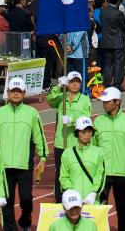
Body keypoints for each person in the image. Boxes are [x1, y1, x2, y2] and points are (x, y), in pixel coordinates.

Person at [0, 77, 46, 231]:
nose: (15, 94)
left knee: (26, 199)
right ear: (7, 92)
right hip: (4, 165)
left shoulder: (32, 113)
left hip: (24, 164)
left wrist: (43, 157)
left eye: (18, 91)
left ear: (24, 93)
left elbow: (39, 137)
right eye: (12, 91)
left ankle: (26, 219)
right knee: (6, 201)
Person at [93, 87, 125, 231]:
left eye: (108, 101)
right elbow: (93, 146)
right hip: (102, 174)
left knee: (123, 209)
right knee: (99, 208)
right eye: (104, 101)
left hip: (123, 174)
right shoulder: (98, 122)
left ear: (117, 102)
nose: (104, 104)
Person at [47, 69, 93, 200]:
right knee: (60, 173)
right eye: (72, 82)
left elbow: (86, 118)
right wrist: (58, 87)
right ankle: (59, 199)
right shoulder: (61, 97)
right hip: (60, 143)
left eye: (77, 82)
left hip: (74, 143)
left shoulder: (85, 100)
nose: (75, 84)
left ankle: (76, 198)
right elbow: (49, 99)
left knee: (75, 171)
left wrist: (72, 120)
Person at [58, 117, 105, 209]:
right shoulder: (67, 153)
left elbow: (101, 175)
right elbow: (63, 177)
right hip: (73, 203)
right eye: (83, 132)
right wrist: (72, 193)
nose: (87, 135)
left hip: (92, 201)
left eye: (89, 132)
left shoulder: (99, 152)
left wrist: (93, 193)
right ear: (77, 133)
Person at [98, 0, 125, 89]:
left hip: (106, 41)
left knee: (108, 63)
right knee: (118, 63)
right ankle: (117, 83)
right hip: (117, 41)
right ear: (119, 1)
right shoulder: (118, 13)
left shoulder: (103, 12)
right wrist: (123, 34)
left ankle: (106, 82)